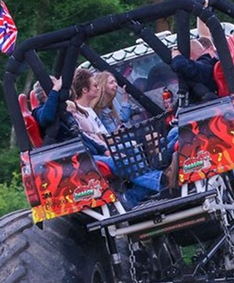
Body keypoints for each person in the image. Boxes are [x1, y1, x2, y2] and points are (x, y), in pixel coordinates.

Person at [67, 68, 166, 208]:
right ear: (84, 90)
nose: (98, 88)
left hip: (105, 145)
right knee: (131, 147)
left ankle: (147, 185)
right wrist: (107, 146)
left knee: (138, 144)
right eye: (95, 86)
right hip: (98, 150)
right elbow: (94, 137)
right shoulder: (79, 112)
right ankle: (160, 179)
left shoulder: (87, 110)